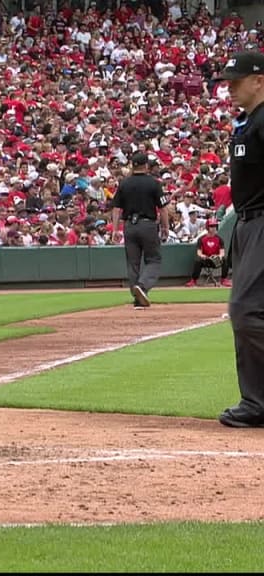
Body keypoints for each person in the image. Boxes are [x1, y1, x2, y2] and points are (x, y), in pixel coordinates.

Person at [214, 52, 264, 427]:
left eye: (236, 79)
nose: (229, 87)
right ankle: (256, 402)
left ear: (258, 80)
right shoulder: (249, 122)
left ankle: (257, 403)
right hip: (248, 224)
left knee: (246, 310)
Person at [110, 152, 169, 309]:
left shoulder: (124, 183)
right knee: (154, 260)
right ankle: (142, 287)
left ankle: (137, 298)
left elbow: (116, 208)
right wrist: (165, 227)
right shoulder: (154, 183)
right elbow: (163, 209)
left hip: (129, 225)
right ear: (146, 165)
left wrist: (115, 229)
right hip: (147, 224)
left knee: (133, 263)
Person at [185, 218, 231, 287]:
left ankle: (224, 279)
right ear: (207, 227)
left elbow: (222, 252)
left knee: (225, 259)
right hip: (206, 260)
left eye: (215, 226)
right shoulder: (201, 239)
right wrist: (202, 256)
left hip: (215, 260)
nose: (213, 228)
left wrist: (219, 256)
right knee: (198, 260)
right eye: (211, 226)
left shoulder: (219, 239)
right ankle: (193, 280)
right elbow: (199, 252)